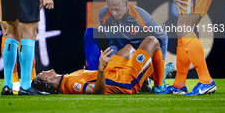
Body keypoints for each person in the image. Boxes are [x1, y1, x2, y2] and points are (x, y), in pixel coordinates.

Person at [32, 36, 171, 94]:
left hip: (112, 74)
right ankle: (159, 86)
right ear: (46, 79)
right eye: (42, 73)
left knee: (128, 49)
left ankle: (146, 80)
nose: (45, 70)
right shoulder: (70, 83)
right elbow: (96, 91)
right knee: (152, 41)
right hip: (122, 82)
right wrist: (100, 69)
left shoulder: (65, 80)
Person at [84, 0, 168, 70]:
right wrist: (114, 60)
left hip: (137, 54)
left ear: (126, 3)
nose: (114, 13)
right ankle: (94, 76)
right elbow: (111, 42)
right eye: (111, 9)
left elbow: (163, 37)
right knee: (90, 33)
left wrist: (161, 67)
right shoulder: (103, 14)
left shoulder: (142, 17)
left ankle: (143, 74)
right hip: (118, 48)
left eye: (117, 9)